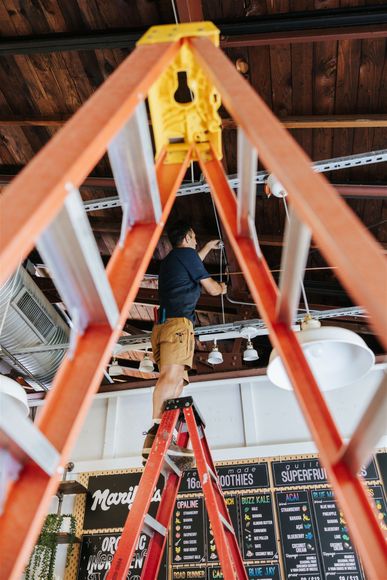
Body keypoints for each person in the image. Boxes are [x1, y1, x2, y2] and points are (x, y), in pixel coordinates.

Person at [142, 221, 227, 467]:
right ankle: (158, 434)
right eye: (195, 238)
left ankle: (161, 434)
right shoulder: (186, 255)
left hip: (169, 325)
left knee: (178, 380)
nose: (196, 242)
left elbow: (194, 262)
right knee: (170, 377)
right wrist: (221, 288)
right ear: (188, 236)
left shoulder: (174, 259)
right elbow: (210, 289)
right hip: (177, 326)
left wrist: (209, 247)